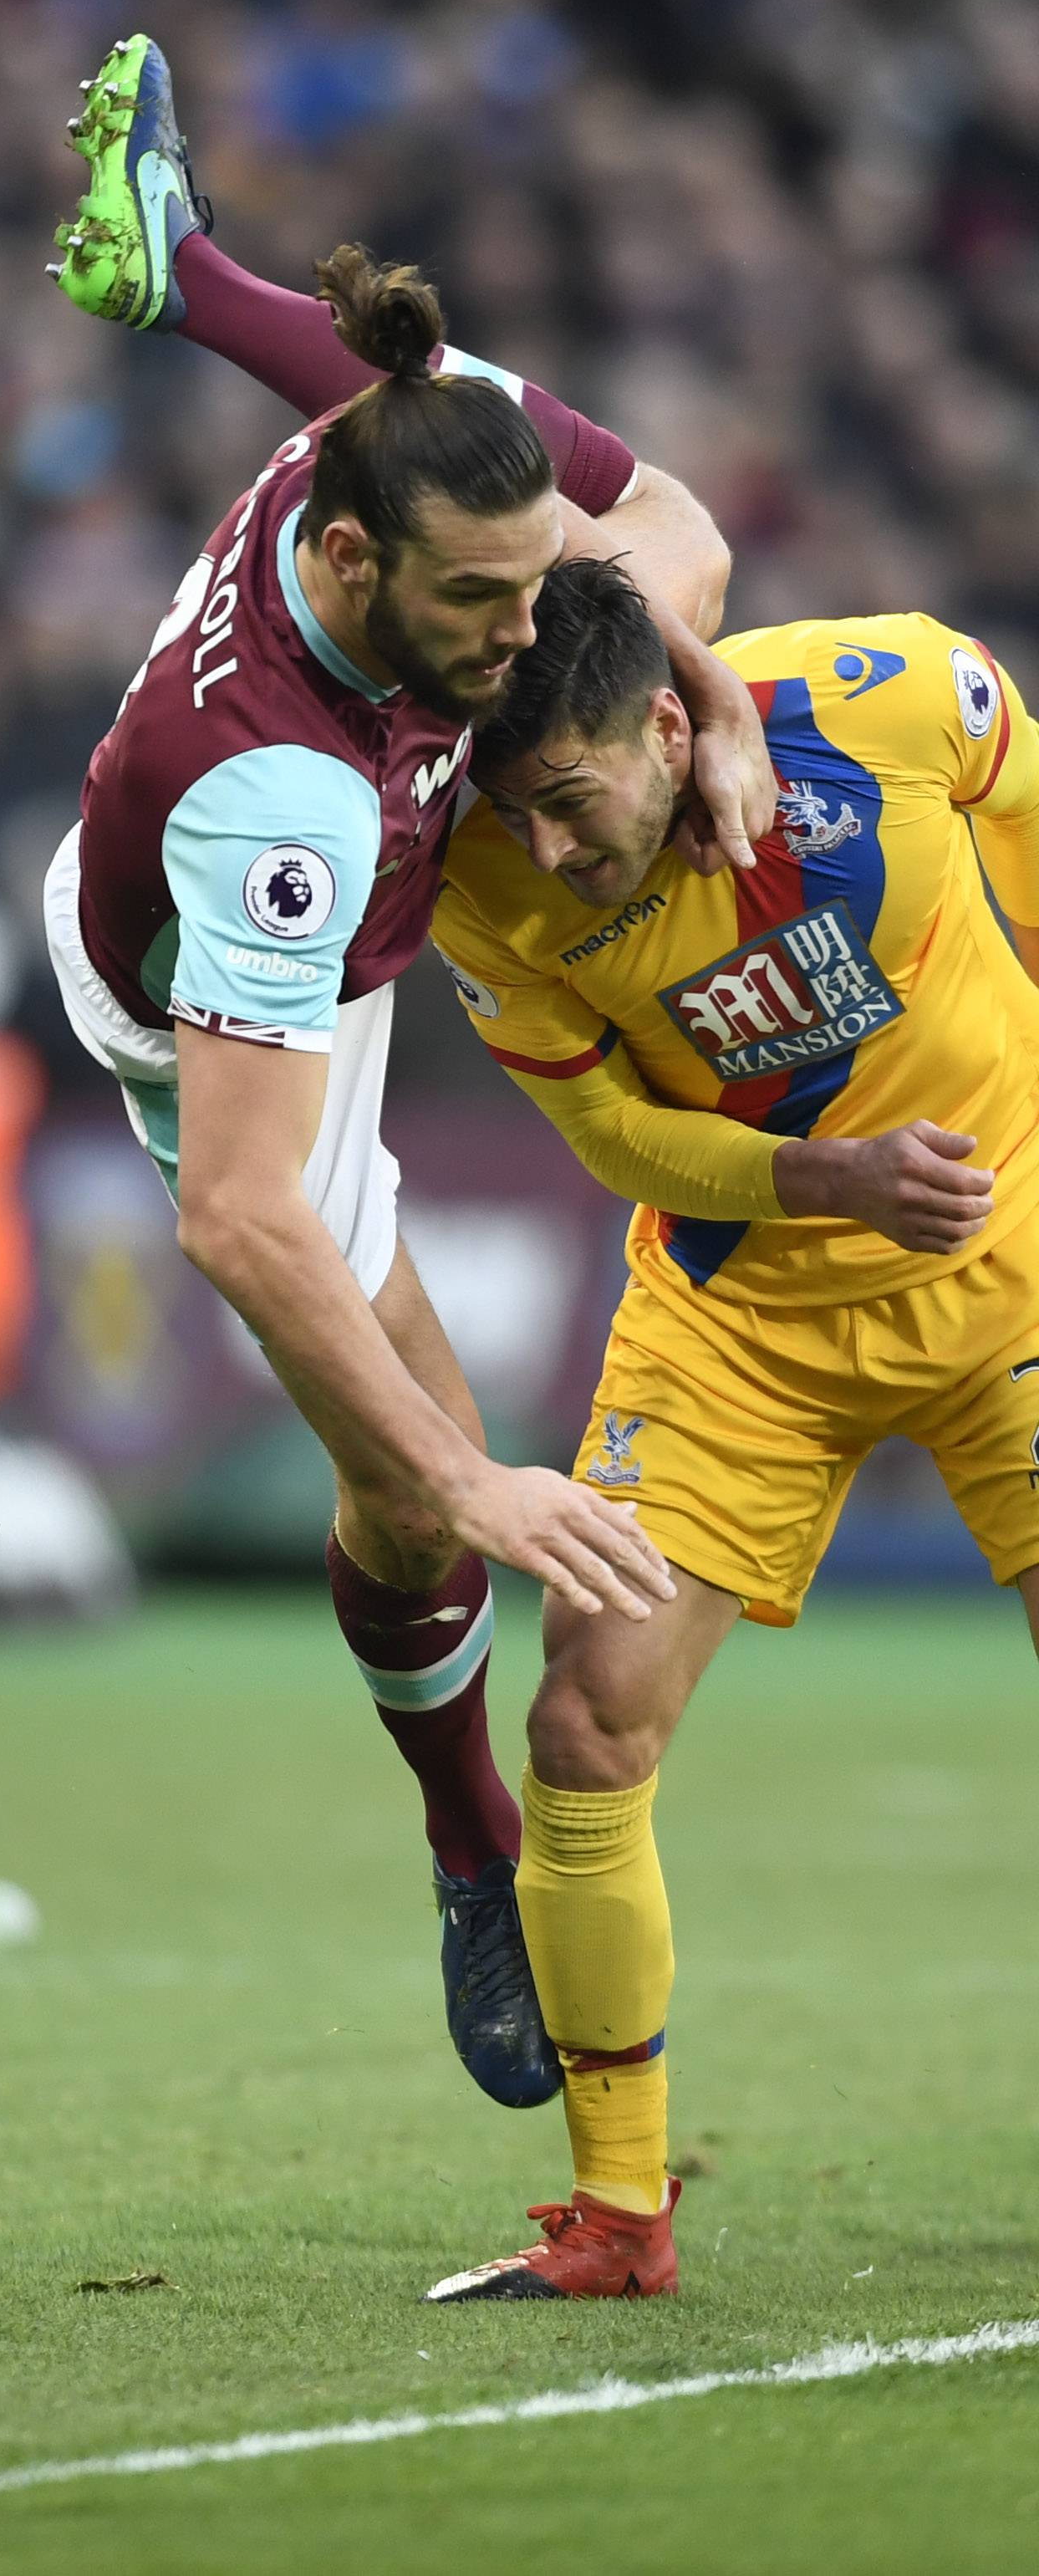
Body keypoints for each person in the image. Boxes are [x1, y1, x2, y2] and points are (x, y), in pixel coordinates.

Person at [45, 38, 774, 2111]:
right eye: (486, 601)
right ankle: (475, 1850)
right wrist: (473, 1478)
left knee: (657, 617)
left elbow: (673, 518)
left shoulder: (429, 458)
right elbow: (237, 1211)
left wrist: (697, 684)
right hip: (233, 1015)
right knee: (408, 1490)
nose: (526, 615)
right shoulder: (275, 795)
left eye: (530, 577)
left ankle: (154, 249)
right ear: (352, 568)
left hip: (354, 894)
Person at [420, 559, 1039, 2297]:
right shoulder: (485, 891)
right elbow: (617, 1140)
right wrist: (825, 1175)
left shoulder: (887, 694)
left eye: (567, 798)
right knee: (587, 1722)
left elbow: (1028, 798)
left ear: (673, 719)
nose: (542, 847)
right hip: (737, 1323)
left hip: (1022, 1268)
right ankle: (621, 2217)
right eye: (509, 806)